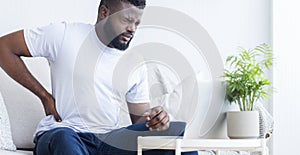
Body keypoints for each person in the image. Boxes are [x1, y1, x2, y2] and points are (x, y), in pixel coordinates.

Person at [0, 0, 198, 154]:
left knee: (174, 135)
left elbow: (138, 121)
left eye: (137, 22)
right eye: (126, 20)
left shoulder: (134, 62)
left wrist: (155, 119)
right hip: (63, 134)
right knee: (65, 138)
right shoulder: (63, 35)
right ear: (104, 12)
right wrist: (44, 95)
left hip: (108, 142)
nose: (132, 29)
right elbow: (4, 48)